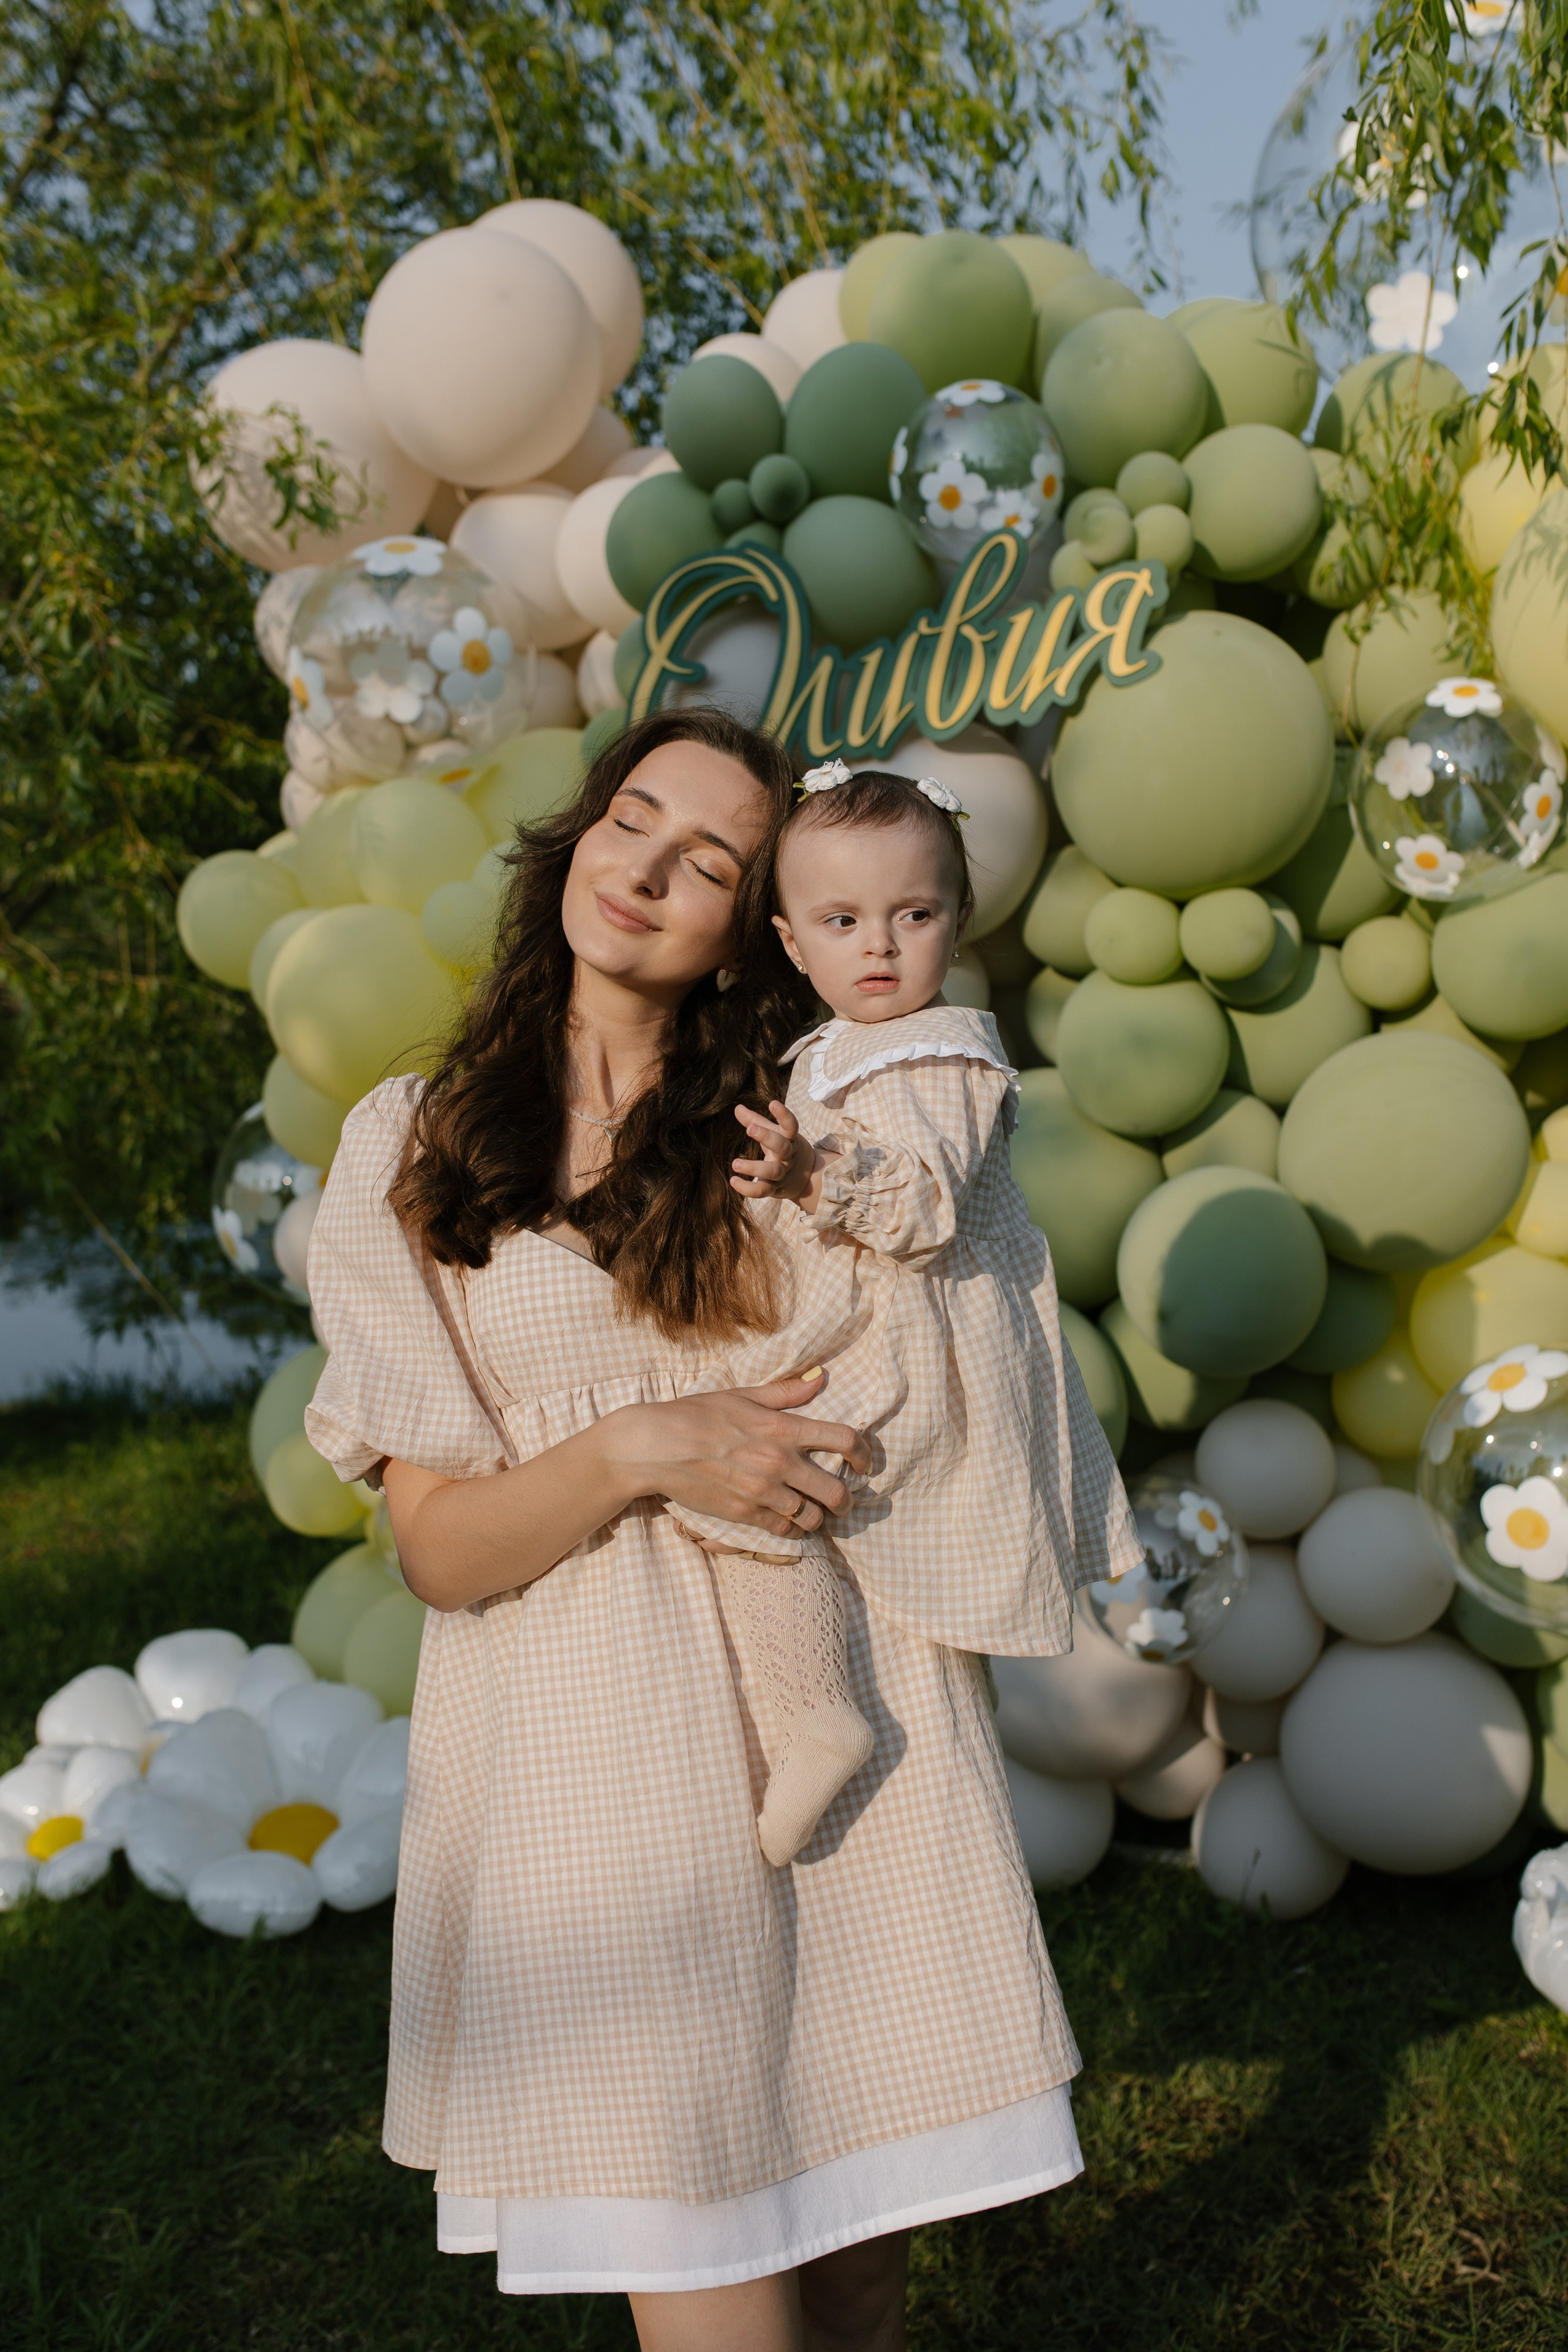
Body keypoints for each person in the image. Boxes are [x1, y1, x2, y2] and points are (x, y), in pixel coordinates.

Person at [304, 707, 1126, 2351]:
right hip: (599, 1758)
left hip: (843, 1717)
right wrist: (642, 1446)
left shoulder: (805, 1112)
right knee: (713, 2275)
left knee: (859, 2266)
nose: (648, 868)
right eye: (634, 816)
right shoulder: (415, 1142)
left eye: (709, 861)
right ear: (578, 831)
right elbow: (441, 1554)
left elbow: (958, 1322)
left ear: (749, 922)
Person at [667, 757, 1140, 1870]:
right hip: (861, 1330)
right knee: (753, 1485)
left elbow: (921, 1205)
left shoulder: (946, 1053)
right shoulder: (831, 1050)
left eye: (913, 913)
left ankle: (818, 1713)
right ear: (792, 942)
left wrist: (806, 1175)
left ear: (960, 921)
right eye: (842, 920)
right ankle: (815, 1709)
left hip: (917, 1356)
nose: (878, 947)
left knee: (754, 1494)